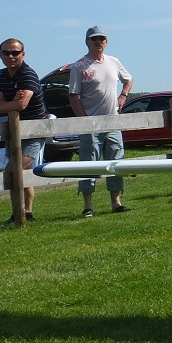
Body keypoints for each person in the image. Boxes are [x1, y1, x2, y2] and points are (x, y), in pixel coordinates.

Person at [69, 26, 133, 217]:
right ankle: (88, 206)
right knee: (88, 164)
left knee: (116, 162)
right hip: (91, 125)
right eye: (94, 39)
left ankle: (116, 203)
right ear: (87, 41)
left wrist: (123, 96)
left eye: (102, 39)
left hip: (113, 122)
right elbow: (73, 96)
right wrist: (84, 120)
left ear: (106, 42)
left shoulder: (113, 61)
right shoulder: (79, 66)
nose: (99, 42)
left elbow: (128, 79)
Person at [0, 38, 47, 223]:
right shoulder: (0, 75)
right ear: (0, 55)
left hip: (34, 130)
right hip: (13, 130)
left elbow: (21, 104)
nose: (11, 56)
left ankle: (20, 214)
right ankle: (24, 213)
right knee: (22, 173)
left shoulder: (28, 74)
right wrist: (8, 104)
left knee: (12, 171)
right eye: (6, 53)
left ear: (23, 54)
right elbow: (1, 101)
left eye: (15, 52)